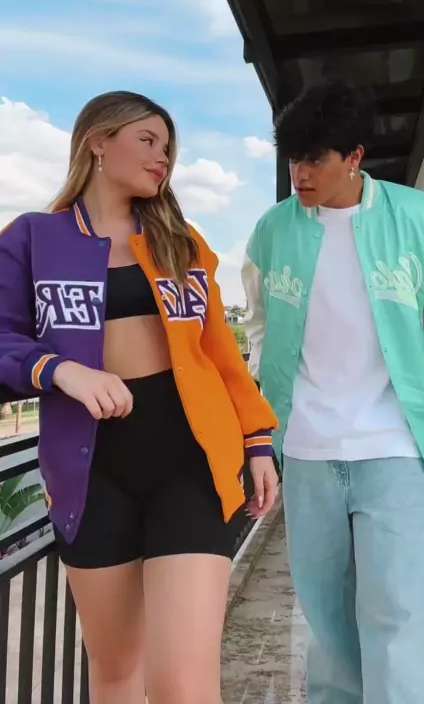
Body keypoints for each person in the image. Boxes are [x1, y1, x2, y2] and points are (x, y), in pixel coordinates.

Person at [0, 90, 279, 704]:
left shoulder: (183, 242)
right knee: (117, 672)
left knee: (183, 685)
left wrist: (257, 440)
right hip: (90, 473)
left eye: (168, 147)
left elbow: (221, 354)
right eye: (148, 140)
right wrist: (59, 370)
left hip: (192, 462)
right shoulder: (33, 238)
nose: (163, 158)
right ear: (98, 141)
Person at [241, 78, 424, 704]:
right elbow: (257, 322)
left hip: (392, 447)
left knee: (397, 615)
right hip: (308, 450)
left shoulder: (416, 217)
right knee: (325, 620)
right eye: (292, 159)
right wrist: (271, 404)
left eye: (315, 159)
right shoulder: (273, 230)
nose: (300, 174)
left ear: (354, 157)